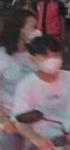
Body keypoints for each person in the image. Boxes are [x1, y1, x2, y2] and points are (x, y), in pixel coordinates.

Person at [0, 10, 41, 149]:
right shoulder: (2, 57)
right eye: (33, 27)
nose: (38, 31)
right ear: (19, 29)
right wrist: (3, 120)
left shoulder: (37, 56)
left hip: (36, 119)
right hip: (9, 122)